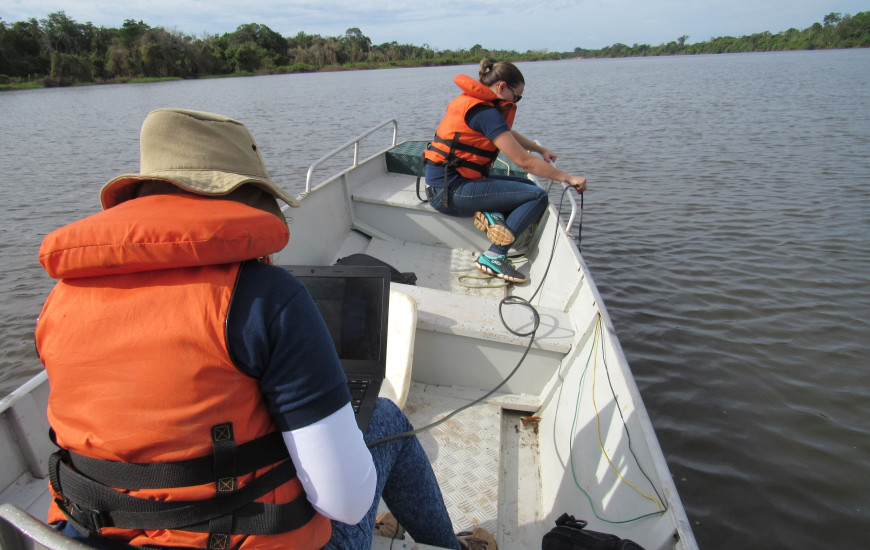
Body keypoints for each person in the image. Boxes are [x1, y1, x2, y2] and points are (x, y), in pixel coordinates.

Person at [35, 108, 494, 549]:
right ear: (244, 199)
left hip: (99, 534)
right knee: (386, 420)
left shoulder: (60, 301)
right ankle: (448, 546)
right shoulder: (266, 297)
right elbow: (347, 505)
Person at [424, 59, 587, 284]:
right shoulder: (485, 113)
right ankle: (494, 255)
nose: (516, 101)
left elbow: (507, 133)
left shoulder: (475, 104)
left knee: (528, 188)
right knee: (538, 196)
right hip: (450, 192)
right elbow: (524, 163)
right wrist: (568, 178)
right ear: (502, 87)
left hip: (445, 185)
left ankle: (493, 216)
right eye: (517, 96)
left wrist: (540, 149)